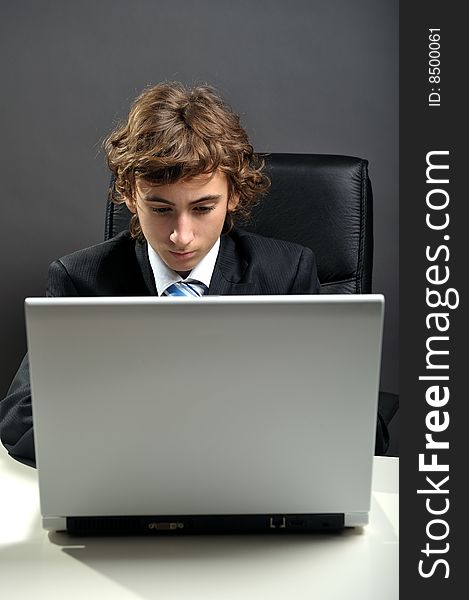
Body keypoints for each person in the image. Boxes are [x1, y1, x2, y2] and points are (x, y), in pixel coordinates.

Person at [0, 82, 387, 467]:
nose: (180, 236)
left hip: (251, 479)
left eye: (203, 208)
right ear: (131, 196)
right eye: (161, 209)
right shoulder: (80, 280)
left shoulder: (287, 272)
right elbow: (20, 421)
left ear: (233, 195)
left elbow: (362, 427)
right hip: (132, 482)